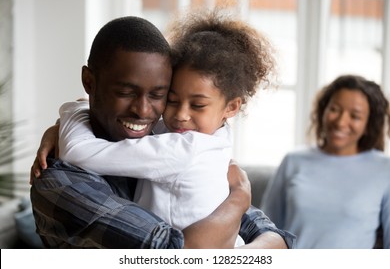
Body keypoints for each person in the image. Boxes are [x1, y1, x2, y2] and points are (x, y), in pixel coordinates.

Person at [30, 14, 295, 249]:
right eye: (126, 92)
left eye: (159, 95)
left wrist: (68, 117)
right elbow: (177, 253)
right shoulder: (63, 183)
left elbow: (275, 238)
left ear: (231, 107)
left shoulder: (176, 144)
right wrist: (239, 198)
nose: (144, 111)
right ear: (90, 83)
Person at [261, 74, 390, 248]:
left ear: (368, 124)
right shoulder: (293, 160)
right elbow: (266, 229)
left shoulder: (384, 170)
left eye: (355, 116)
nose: (341, 121)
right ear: (323, 110)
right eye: (335, 109)